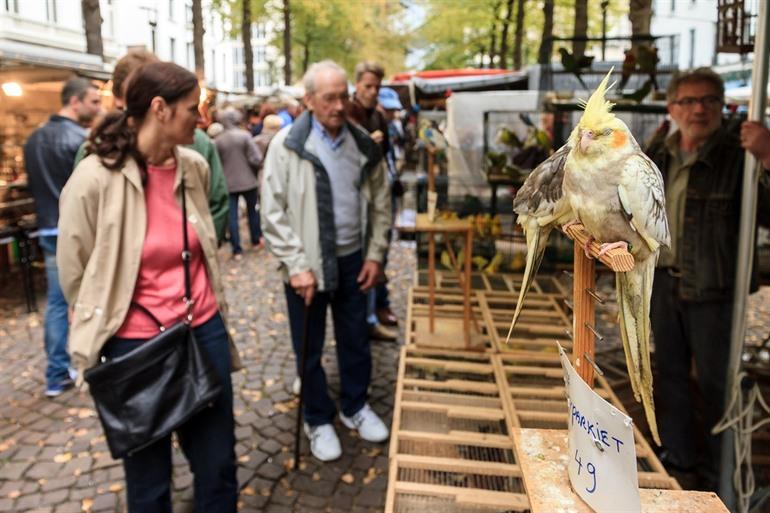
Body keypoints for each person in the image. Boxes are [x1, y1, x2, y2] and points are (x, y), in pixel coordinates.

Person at [57, 62, 240, 512]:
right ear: (159, 109)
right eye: (189, 109)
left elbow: (203, 241)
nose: (200, 120)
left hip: (203, 333)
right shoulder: (95, 178)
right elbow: (75, 272)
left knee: (218, 465)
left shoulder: (194, 166)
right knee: (149, 481)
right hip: (134, 349)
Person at [645, 67, 770, 490]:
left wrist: (769, 156)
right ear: (672, 107)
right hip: (663, 281)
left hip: (715, 289)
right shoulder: (659, 153)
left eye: (709, 100)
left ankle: (722, 479)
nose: (699, 109)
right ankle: (680, 466)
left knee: (720, 384)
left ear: (722, 106)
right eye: (689, 101)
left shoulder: (739, 155)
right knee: (670, 378)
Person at [261, 60, 392, 462]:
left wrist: (375, 255)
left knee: (355, 339)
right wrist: (296, 265)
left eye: (342, 96)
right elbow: (272, 212)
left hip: (354, 260)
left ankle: (354, 406)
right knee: (309, 348)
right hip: (307, 267)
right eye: (329, 98)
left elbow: (382, 202)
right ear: (310, 101)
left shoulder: (361, 144)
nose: (338, 105)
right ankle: (317, 419)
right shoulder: (287, 145)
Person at [73, 49, 230, 243]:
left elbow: (217, 205)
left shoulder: (195, 148)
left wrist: (200, 251)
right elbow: (80, 236)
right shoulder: (97, 155)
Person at [23, 77, 102, 397]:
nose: (99, 107)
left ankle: (57, 371)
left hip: (48, 226)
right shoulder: (80, 140)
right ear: (75, 102)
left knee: (58, 300)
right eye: (94, 101)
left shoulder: (33, 139)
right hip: (74, 228)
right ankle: (82, 362)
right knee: (85, 295)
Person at [347, 61, 398, 341]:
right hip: (355, 198)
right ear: (357, 86)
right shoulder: (348, 114)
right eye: (368, 86)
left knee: (379, 252)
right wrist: (366, 143)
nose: (373, 92)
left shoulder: (378, 115)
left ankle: (377, 308)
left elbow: (386, 152)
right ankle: (364, 319)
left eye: (377, 87)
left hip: (377, 191)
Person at [215, 107, 263, 258]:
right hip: (248, 180)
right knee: (252, 212)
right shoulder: (245, 136)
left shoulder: (218, 140)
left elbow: (217, 164)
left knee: (232, 217)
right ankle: (256, 240)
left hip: (228, 183)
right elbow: (256, 158)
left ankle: (237, 249)